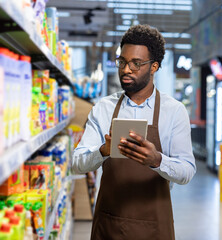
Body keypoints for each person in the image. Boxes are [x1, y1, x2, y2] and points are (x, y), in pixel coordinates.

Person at [72, 25, 196, 240]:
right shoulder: (103, 108)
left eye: (136, 64)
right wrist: (103, 151)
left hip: (155, 226)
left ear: (154, 66)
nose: (126, 69)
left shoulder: (174, 111)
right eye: (122, 62)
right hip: (110, 223)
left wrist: (156, 160)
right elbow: (76, 164)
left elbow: (187, 171)